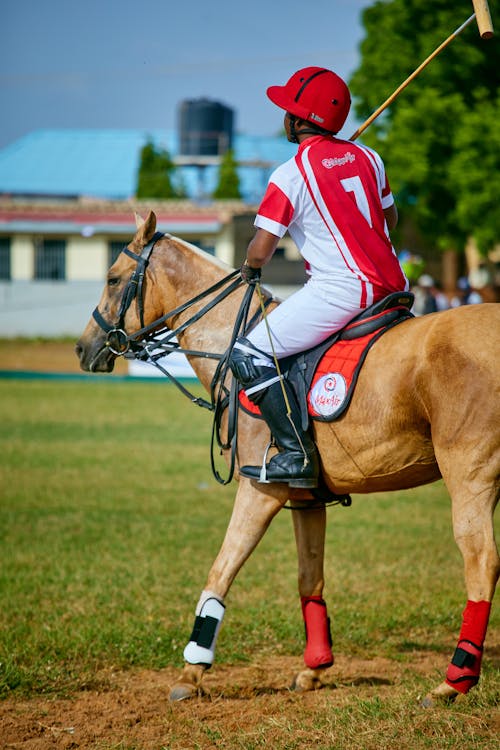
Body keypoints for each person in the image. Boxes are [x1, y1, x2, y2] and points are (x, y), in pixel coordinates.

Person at [229, 66, 409, 489]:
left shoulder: (289, 174)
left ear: (296, 119)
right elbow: (391, 220)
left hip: (341, 291)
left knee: (249, 353)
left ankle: (295, 453)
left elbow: (260, 249)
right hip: (394, 288)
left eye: (287, 111)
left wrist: (250, 269)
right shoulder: (370, 157)